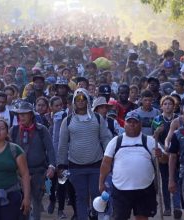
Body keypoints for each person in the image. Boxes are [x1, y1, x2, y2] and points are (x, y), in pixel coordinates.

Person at [57, 88, 112, 220]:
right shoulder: (68, 121)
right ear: (74, 101)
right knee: (80, 196)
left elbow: (105, 139)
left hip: (96, 165)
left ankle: (94, 217)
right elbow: (63, 144)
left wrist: (110, 158)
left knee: (96, 194)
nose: (80, 101)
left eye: (83, 98)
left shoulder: (98, 118)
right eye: (77, 99)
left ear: (88, 100)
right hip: (75, 166)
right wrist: (61, 165)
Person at [99, 111, 162, 220]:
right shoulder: (115, 141)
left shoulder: (150, 141)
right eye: (129, 122)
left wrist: (160, 155)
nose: (132, 124)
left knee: (142, 217)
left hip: (144, 188)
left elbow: (164, 160)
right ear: (124, 124)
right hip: (120, 189)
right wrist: (101, 183)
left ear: (140, 125)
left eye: (135, 122)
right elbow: (106, 163)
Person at [9, 100, 56, 220]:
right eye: (19, 114)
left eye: (24, 113)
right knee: (20, 202)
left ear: (31, 115)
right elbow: (7, 151)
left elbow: (50, 149)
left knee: (36, 201)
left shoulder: (42, 130)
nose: (21, 116)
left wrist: (51, 166)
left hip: (38, 172)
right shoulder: (13, 131)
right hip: (18, 174)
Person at [151, 96, 182, 218]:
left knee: (176, 179)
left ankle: (177, 206)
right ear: (161, 106)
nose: (168, 106)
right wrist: (157, 133)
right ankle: (167, 207)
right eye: (165, 104)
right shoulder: (157, 119)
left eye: (170, 104)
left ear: (174, 106)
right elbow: (154, 138)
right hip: (163, 154)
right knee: (165, 180)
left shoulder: (179, 119)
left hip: (177, 154)